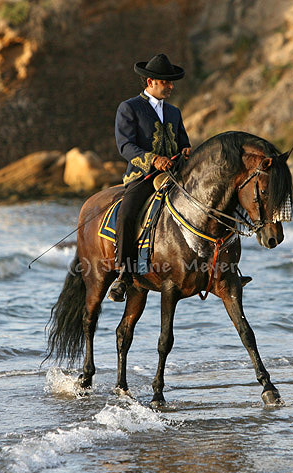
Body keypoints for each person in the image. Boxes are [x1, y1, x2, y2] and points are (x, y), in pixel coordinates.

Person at [108, 53, 191, 302]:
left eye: (171, 82)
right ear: (151, 82)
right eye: (166, 82)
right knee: (127, 214)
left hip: (174, 177)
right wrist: (153, 159)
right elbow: (125, 146)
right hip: (142, 176)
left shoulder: (175, 112)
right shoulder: (129, 108)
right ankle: (123, 274)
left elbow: (183, 143)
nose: (171, 86)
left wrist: (186, 151)